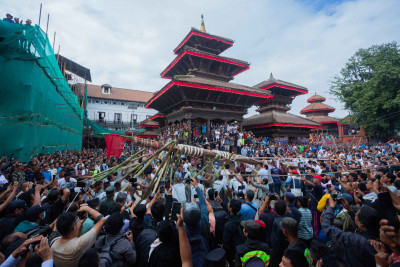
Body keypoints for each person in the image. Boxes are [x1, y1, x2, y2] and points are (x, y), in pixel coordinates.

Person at [321, 196, 378, 267]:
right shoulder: (375, 235)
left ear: (361, 225)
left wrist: (331, 207)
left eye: (356, 214)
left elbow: (327, 227)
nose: (354, 215)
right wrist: (349, 209)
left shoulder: (354, 240)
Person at [223, 199, 246, 266]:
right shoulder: (241, 219)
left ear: (230, 209)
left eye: (228, 204)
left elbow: (226, 243)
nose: (227, 204)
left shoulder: (228, 225)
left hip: (232, 253)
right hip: (241, 249)